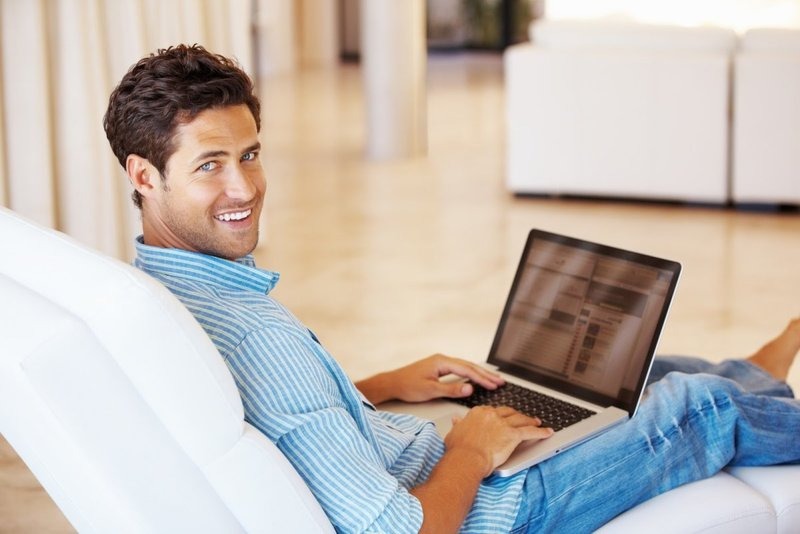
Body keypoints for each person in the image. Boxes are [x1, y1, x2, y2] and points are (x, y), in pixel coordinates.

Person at [103, 44, 800, 533]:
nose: (245, 188)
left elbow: (277, 418)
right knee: (700, 405)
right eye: (211, 165)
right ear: (144, 175)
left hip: (414, 456)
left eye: (250, 154)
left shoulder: (163, 290)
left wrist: (381, 387)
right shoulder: (255, 336)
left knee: (627, 374)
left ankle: (757, 370)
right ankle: (748, 387)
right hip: (491, 509)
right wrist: (471, 449)